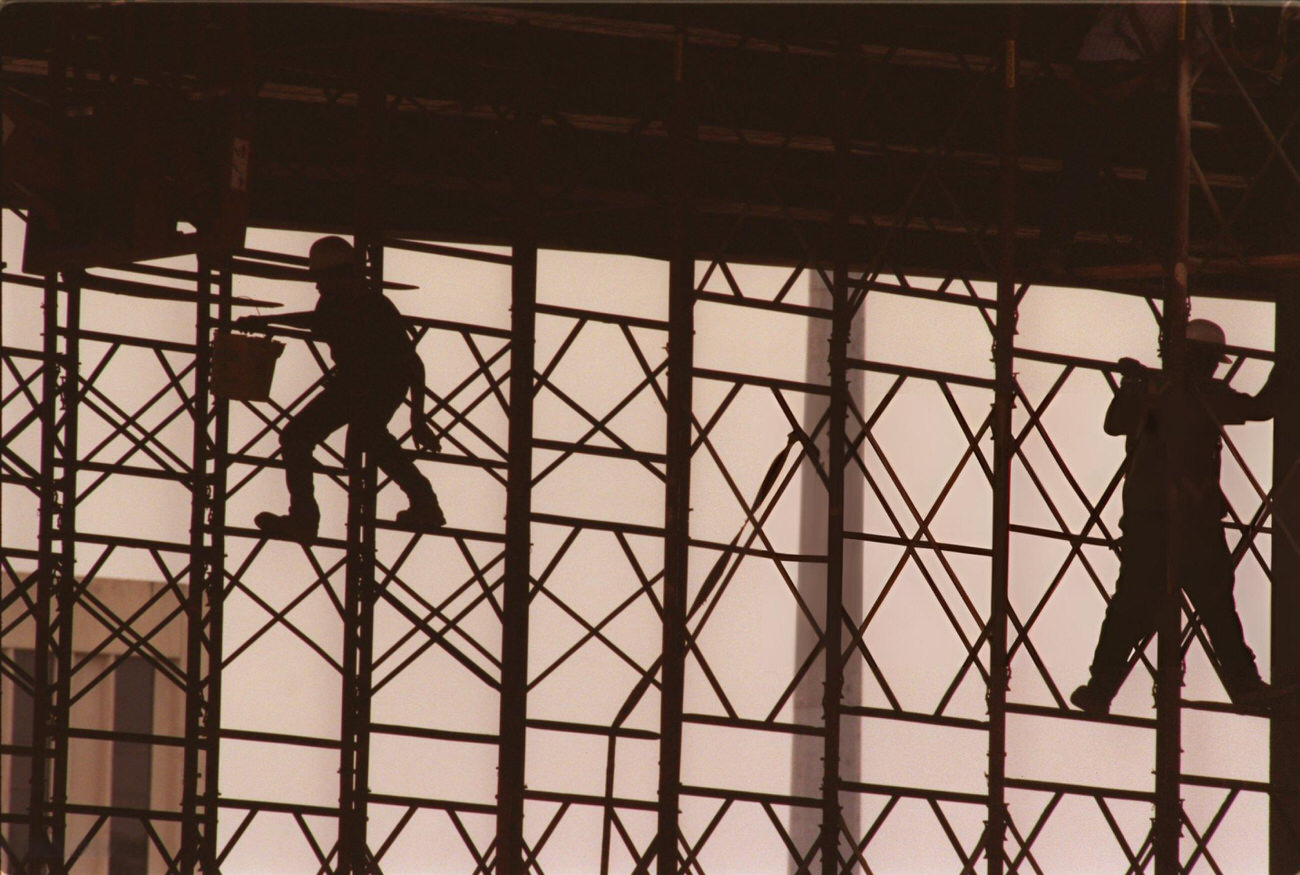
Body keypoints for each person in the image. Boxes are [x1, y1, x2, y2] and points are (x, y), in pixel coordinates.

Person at [1071, 319, 1285, 715]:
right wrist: (1287, 368)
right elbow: (1260, 408)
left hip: (1155, 520)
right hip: (1185, 521)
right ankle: (1245, 687)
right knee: (1213, 606)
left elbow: (1115, 423)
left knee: (1135, 606)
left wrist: (1135, 390)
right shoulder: (1198, 392)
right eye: (1211, 361)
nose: (1214, 368)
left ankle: (1101, 689)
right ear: (1200, 358)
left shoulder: (1161, 389)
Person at [237, 235, 445, 541]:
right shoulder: (334, 302)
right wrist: (267, 322)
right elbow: (313, 321)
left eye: (321, 278)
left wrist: (418, 419)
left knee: (367, 436)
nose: (317, 286)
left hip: (382, 382)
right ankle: (304, 519)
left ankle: (425, 504)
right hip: (354, 383)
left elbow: (413, 364)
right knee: (298, 437)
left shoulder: (374, 306)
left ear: (341, 275)